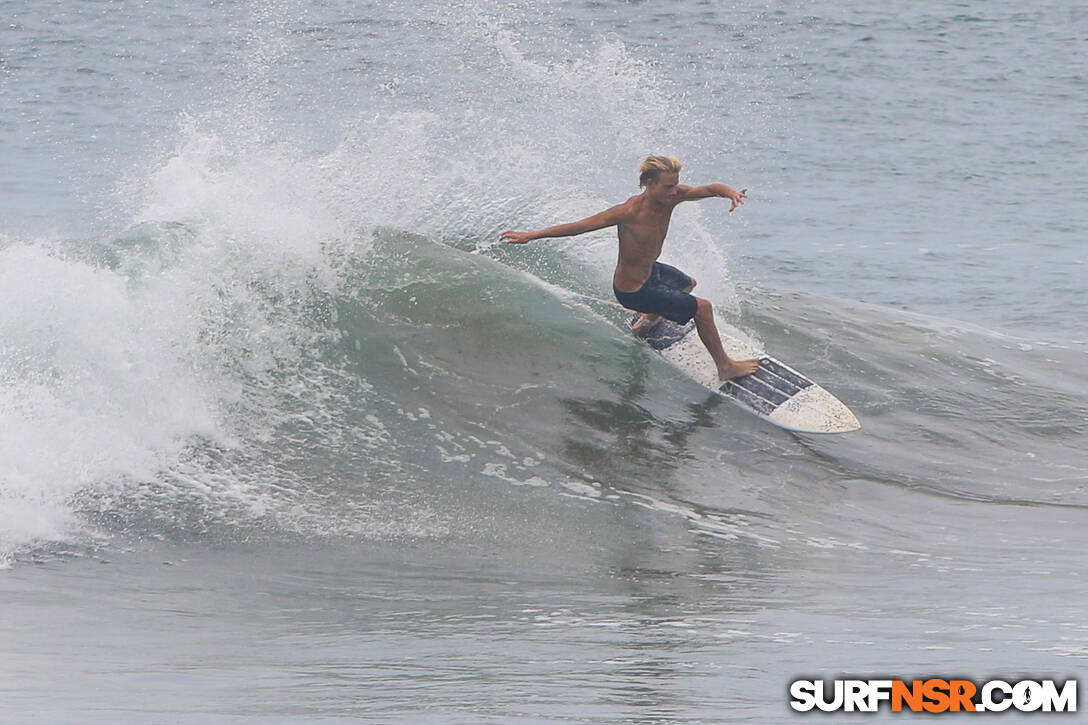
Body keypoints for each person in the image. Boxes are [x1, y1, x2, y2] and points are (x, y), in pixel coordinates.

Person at [502, 155, 760, 381]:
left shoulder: (673, 197)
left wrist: (730, 193)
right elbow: (579, 226)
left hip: (650, 270)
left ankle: (646, 320)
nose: (675, 191)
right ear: (649, 183)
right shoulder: (629, 212)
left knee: (688, 284)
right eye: (668, 186)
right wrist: (531, 235)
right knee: (703, 308)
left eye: (676, 184)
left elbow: (711, 188)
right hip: (633, 290)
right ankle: (724, 366)